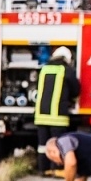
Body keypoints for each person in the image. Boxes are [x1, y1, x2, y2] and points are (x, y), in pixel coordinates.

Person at [33, 45, 80, 174]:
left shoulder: (44, 69)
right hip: (58, 116)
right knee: (58, 145)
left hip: (41, 115)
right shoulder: (66, 70)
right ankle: (57, 169)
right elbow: (76, 90)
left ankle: (44, 169)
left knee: (43, 146)